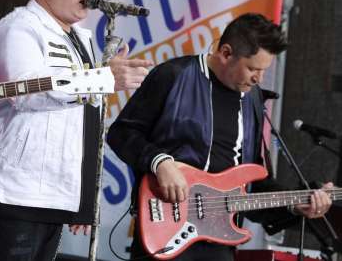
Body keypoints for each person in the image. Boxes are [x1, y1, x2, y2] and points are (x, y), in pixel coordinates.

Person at [0, 0, 153, 261]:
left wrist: (83, 199)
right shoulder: (20, 27)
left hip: (52, 194)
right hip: (12, 191)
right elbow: (26, 93)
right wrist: (103, 77)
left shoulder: (84, 38)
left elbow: (89, 119)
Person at [107, 13, 333, 260]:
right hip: (166, 229)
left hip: (218, 239)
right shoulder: (174, 76)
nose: (258, 78)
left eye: (264, 70)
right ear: (226, 53)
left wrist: (294, 205)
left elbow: (253, 183)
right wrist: (160, 162)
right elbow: (122, 133)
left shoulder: (254, 99)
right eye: (252, 68)